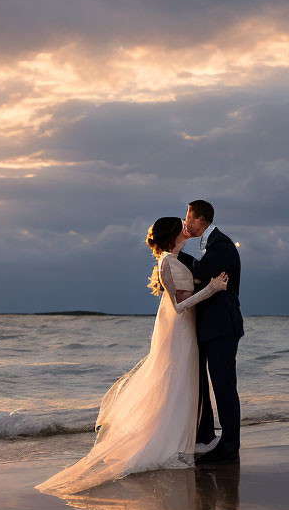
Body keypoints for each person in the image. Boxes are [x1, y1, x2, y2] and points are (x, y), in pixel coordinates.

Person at [35, 216, 228, 495]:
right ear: (172, 234)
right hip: (178, 330)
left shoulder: (176, 260)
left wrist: (204, 285)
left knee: (184, 385)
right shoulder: (166, 263)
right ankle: (171, 445)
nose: (185, 228)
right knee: (176, 383)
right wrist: (211, 289)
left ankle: (185, 444)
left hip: (186, 331)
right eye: (181, 226)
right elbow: (180, 305)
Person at [178, 200, 244, 463]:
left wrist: (175, 252)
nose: (186, 223)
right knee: (206, 384)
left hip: (222, 327)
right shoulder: (211, 244)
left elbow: (201, 275)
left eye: (189, 218)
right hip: (210, 327)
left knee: (224, 387)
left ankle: (229, 446)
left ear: (200, 219)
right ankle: (205, 434)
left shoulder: (222, 245)